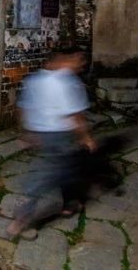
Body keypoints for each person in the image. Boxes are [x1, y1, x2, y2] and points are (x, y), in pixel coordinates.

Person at [6, 49, 96, 240]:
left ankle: (70, 203)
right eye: (78, 60)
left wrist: (27, 132)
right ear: (65, 59)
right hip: (59, 134)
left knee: (68, 168)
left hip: (42, 133)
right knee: (47, 175)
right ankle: (22, 217)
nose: (81, 65)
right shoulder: (68, 82)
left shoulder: (35, 80)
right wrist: (86, 137)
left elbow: (23, 108)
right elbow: (75, 114)